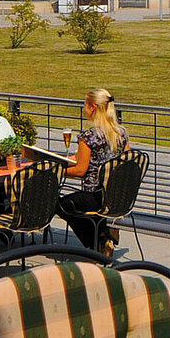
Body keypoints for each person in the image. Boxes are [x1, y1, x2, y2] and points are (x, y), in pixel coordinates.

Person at [56, 88, 128, 251]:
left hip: (94, 195)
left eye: (85, 105)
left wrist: (58, 171)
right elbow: (126, 160)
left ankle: (98, 241)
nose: (84, 109)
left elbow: (80, 171)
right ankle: (104, 235)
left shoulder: (89, 136)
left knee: (58, 204)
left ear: (93, 107)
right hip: (113, 195)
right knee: (82, 206)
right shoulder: (121, 133)